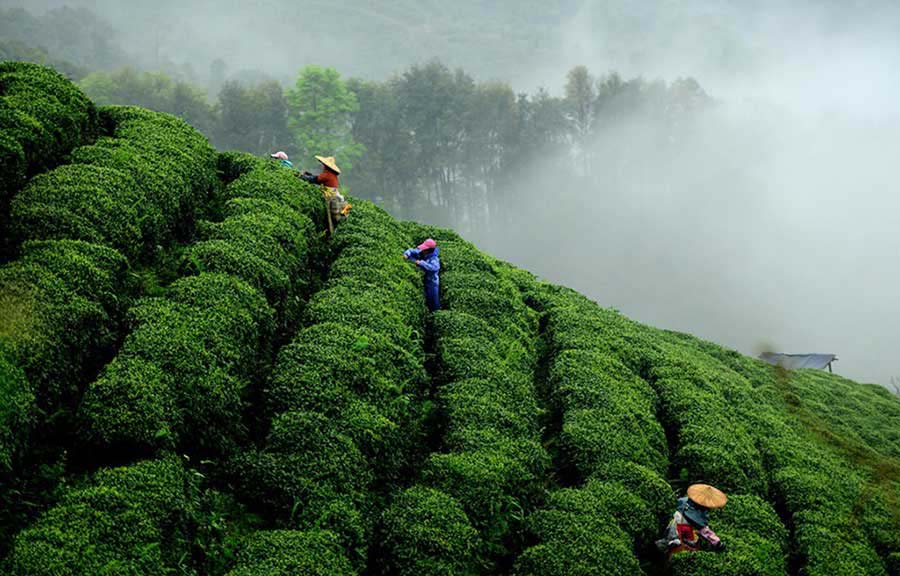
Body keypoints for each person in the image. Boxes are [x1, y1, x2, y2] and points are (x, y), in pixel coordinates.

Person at [656, 483, 727, 556]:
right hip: (682, 533)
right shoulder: (696, 515)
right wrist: (717, 542)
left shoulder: (683, 501)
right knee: (692, 543)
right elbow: (705, 531)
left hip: (672, 526)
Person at [404, 238, 441, 311]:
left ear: (428, 250)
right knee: (425, 298)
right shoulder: (422, 251)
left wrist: (421, 263)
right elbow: (411, 250)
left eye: (424, 249)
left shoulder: (434, 259)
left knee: (433, 302)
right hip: (424, 279)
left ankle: (434, 314)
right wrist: (406, 254)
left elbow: (435, 268)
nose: (422, 250)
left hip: (432, 282)